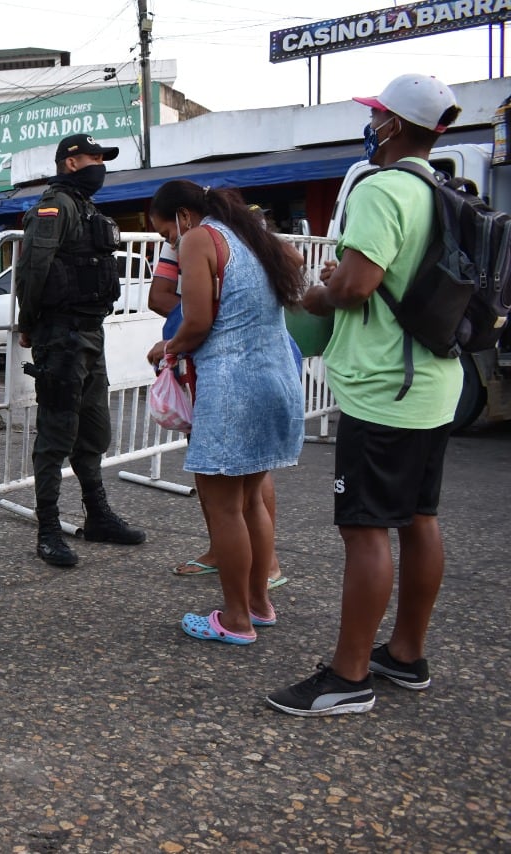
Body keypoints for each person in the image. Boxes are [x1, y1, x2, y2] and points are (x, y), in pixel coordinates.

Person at [268, 74, 464, 715]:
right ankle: (405, 654)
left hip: (385, 388)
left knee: (366, 528)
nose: (372, 124)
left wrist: (318, 293)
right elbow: (386, 277)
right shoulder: (442, 191)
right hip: (433, 380)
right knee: (419, 518)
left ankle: (348, 678)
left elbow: (354, 287)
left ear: (394, 125)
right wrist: (347, 276)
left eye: (378, 115)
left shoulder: (382, 188)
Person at [144, 180, 306, 645]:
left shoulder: (199, 238)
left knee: (224, 509)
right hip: (278, 378)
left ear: (183, 215)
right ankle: (259, 605)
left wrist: (168, 347)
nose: (171, 242)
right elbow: (295, 260)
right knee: (252, 501)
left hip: (232, 388)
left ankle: (235, 620)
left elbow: (197, 321)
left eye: (166, 233)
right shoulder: (250, 233)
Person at [14, 134, 146, 568]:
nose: (100, 165)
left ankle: (97, 515)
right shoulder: (55, 206)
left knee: (93, 432)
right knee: (56, 435)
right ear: (71, 163)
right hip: (62, 335)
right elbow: (33, 268)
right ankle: (48, 529)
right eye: (94, 157)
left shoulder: (85, 206)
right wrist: (29, 324)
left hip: (90, 332)